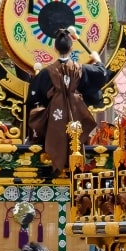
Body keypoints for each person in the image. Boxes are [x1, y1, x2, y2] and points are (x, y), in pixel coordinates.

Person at [27, 33, 97, 172]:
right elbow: (101, 74)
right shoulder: (81, 69)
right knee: (76, 137)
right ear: (71, 49)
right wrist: (97, 59)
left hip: (55, 114)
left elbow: (33, 98)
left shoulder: (46, 72)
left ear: (55, 48)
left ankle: (54, 166)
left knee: (43, 120)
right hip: (76, 112)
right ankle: (76, 168)